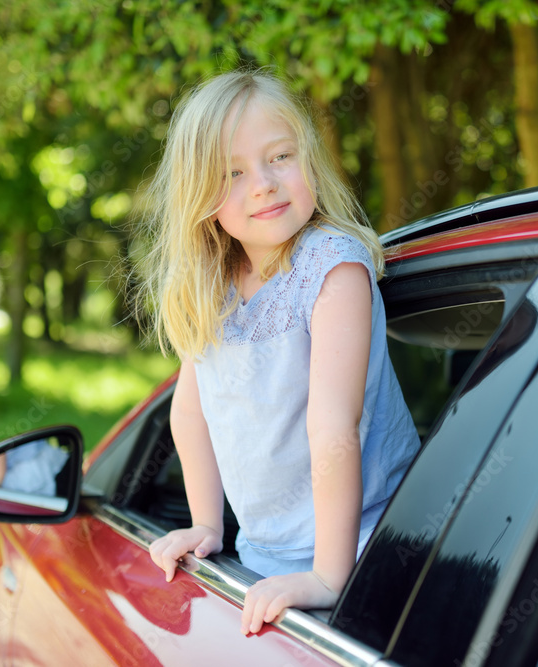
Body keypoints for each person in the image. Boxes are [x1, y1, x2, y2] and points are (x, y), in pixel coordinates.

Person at [140, 69, 420, 636]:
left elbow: (333, 425)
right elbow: (190, 413)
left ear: (308, 158)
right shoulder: (212, 286)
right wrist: (206, 524)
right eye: (233, 173)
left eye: (281, 157)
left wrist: (329, 577)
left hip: (362, 544)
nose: (264, 183)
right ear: (200, 194)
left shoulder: (332, 267)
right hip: (263, 553)